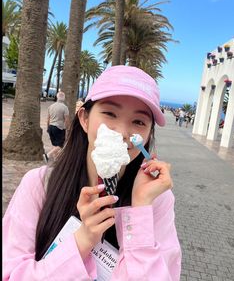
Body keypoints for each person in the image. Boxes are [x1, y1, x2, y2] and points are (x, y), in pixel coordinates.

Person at [3, 65, 182, 280]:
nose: (122, 132)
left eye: (138, 121)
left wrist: (140, 209)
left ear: (147, 134)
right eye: (109, 113)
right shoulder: (39, 184)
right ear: (84, 119)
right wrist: (83, 239)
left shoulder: (157, 200)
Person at [43, 91, 70, 162]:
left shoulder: (51, 106)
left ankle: (56, 160)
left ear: (57, 97)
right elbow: (66, 120)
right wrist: (68, 128)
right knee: (61, 145)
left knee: (55, 144)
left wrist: (47, 127)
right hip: (59, 128)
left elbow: (48, 118)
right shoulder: (65, 107)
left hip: (51, 127)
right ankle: (48, 155)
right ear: (64, 98)